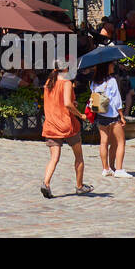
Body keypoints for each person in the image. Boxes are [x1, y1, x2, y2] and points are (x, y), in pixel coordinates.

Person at [40, 62, 92, 198]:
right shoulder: (67, 83)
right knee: (79, 156)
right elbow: (67, 104)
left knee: (54, 158)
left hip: (51, 124)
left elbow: (58, 101)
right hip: (67, 125)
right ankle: (79, 186)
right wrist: (80, 115)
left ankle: (46, 183)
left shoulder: (49, 82)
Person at [90, 61, 131, 178]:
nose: (113, 66)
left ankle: (106, 168)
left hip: (101, 115)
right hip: (112, 115)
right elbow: (117, 100)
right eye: (111, 64)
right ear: (106, 67)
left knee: (104, 142)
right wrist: (122, 116)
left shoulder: (94, 82)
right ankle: (119, 169)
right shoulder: (111, 81)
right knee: (120, 142)